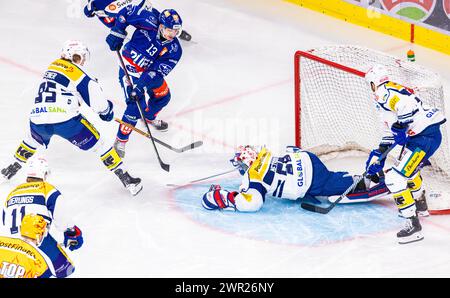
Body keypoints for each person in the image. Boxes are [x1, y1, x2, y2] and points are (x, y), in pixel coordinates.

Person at [0, 40, 142, 196]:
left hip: (37, 118)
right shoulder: (78, 73)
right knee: (100, 145)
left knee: (32, 140)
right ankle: (127, 180)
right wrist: (107, 111)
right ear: (74, 57)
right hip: (66, 121)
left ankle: (9, 170)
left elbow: (68, 90)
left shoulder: (53, 66)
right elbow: (98, 102)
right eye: (80, 57)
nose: (82, 62)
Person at [364, 64, 447, 244]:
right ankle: (420, 204)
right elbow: (389, 133)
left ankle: (414, 226)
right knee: (408, 171)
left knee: (395, 179)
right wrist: (380, 155)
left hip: (424, 139)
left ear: (372, 83)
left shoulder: (383, 92)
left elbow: (405, 105)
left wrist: (402, 126)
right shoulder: (389, 91)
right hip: (422, 137)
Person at [103, 4, 183, 158]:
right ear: (160, 26)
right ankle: (121, 140)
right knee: (135, 106)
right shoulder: (148, 19)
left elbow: (157, 71)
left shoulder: (175, 49)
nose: (172, 34)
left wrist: (140, 86)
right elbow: (124, 13)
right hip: (130, 69)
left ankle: (148, 116)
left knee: (163, 96)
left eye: (176, 31)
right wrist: (117, 32)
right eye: (169, 30)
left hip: (148, 74)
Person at [202, 145, 385, 212]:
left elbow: (253, 203)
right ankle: (364, 176)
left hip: (308, 180)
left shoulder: (253, 177)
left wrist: (226, 198)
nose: (241, 170)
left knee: (326, 185)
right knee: (329, 178)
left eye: (241, 166)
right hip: (306, 158)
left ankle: (364, 181)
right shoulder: (263, 155)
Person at [1, 158, 83, 278]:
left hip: (7, 243)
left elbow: (4, 219)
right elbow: (62, 218)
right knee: (65, 269)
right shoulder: (46, 189)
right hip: (36, 241)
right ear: (44, 174)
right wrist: (71, 232)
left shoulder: (12, 193)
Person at [0, 213, 77, 278]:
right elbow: (69, 270)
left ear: (21, 228)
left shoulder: (2, 241)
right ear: (40, 234)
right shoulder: (40, 260)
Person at [83, 0, 192, 41]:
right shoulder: (95, 3)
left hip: (135, 6)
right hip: (118, 16)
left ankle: (176, 30)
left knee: (150, 13)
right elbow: (87, 11)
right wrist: (92, 8)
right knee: (113, 23)